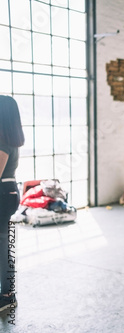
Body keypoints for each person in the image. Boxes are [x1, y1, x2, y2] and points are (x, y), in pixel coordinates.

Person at [0, 95, 25, 312]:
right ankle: (8, 293)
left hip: (3, 194)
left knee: (3, 247)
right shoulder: (9, 139)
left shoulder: (3, 142)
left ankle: (7, 295)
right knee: (3, 246)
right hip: (8, 193)